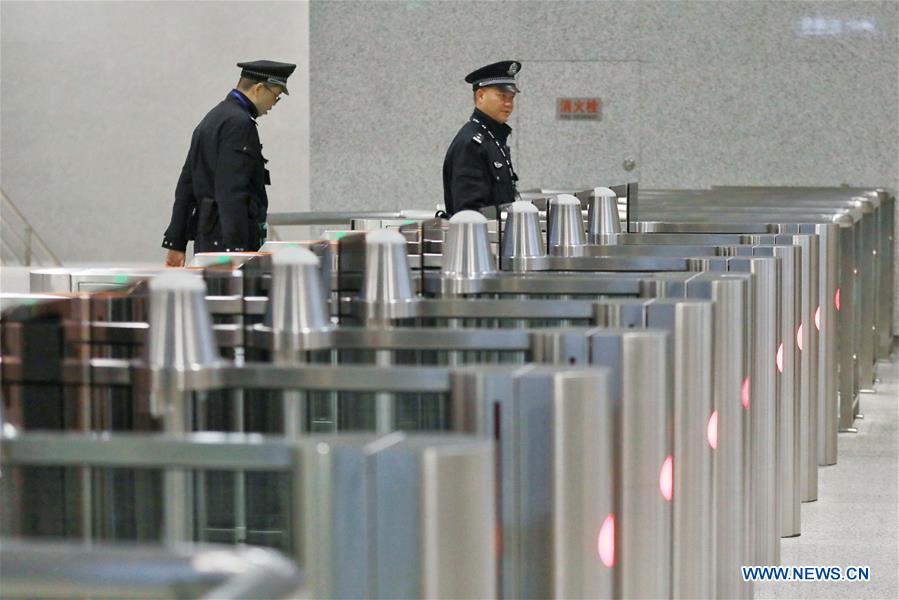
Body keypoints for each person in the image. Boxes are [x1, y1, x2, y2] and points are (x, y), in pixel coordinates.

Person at [162, 60, 296, 266]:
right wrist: (238, 252)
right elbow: (232, 190)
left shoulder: (213, 118)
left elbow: (186, 184)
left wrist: (176, 242)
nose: (273, 105)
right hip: (228, 245)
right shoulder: (239, 124)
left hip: (209, 241)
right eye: (275, 97)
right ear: (259, 89)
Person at [442, 60, 521, 216]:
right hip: (479, 238)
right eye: (502, 96)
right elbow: (469, 212)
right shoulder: (471, 144)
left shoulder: (493, 138)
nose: (508, 104)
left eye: (511, 97)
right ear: (481, 95)